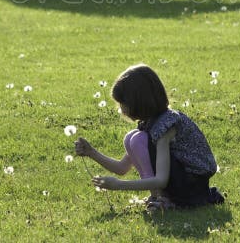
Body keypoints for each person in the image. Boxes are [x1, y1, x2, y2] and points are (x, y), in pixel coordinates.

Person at [74, 64, 225, 212]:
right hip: (182, 182)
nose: (121, 109)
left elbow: (161, 179)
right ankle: (159, 196)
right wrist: (91, 152)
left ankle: (163, 199)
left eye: (123, 104)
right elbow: (122, 168)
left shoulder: (166, 126)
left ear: (140, 100)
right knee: (132, 138)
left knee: (138, 139)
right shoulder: (151, 123)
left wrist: (119, 185)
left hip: (191, 187)